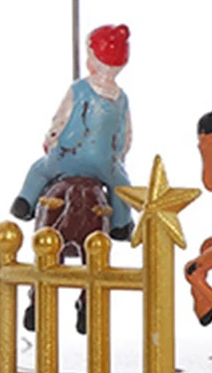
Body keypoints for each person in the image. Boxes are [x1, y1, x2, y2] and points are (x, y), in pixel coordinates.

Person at [11, 24, 135, 237]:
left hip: (67, 156)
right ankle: (121, 224)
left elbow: (61, 119)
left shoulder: (78, 89)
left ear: (92, 61)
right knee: (121, 185)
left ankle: (25, 201)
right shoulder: (121, 99)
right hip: (104, 163)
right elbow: (125, 135)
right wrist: (118, 158)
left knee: (40, 169)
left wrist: (50, 140)